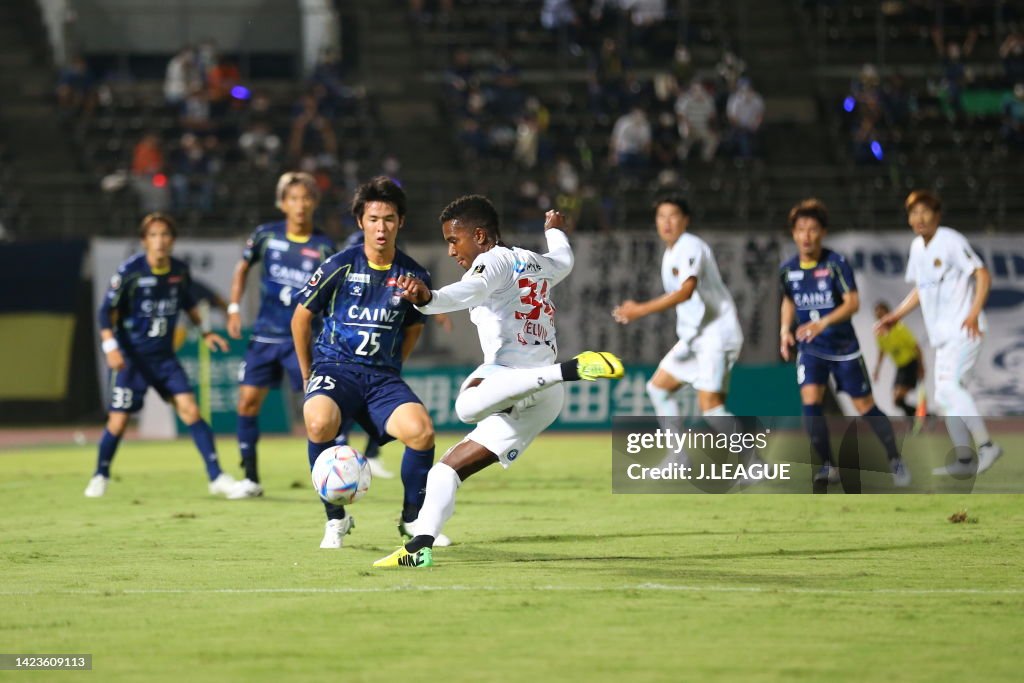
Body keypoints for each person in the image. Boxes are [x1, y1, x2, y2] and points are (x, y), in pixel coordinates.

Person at [372, 197, 624, 568]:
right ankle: (419, 548)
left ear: (480, 235)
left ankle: (569, 369)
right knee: (445, 470)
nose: (451, 250)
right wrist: (553, 230)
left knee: (465, 406)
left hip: (512, 373)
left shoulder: (493, 260)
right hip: (544, 397)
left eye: (454, 240)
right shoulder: (534, 262)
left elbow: (466, 292)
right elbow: (565, 261)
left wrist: (429, 298)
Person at [291, 176, 442, 549]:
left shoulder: (414, 275)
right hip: (335, 370)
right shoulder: (338, 266)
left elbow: (413, 328)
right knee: (318, 421)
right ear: (361, 222)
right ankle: (336, 519)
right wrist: (308, 373)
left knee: (421, 431)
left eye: (389, 219)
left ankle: (412, 519)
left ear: (400, 222)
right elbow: (300, 318)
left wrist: (394, 367)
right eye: (374, 218)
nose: (381, 227)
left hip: (381, 379)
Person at [85, 213, 235, 498]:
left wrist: (205, 332)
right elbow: (106, 311)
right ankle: (100, 474)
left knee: (190, 410)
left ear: (173, 240)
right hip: (131, 360)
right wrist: (110, 347)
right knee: (118, 421)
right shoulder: (131, 271)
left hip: (164, 359)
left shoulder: (179, 271)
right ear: (144, 241)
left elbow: (189, 303)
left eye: (165, 235)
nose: (160, 241)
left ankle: (216, 477)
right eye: (153, 235)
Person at [779, 199, 909, 487]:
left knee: (865, 406)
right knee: (810, 401)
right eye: (801, 229)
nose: (806, 236)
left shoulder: (836, 264)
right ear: (793, 234)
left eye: (812, 229)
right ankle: (828, 465)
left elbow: (853, 303)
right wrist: (785, 330)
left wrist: (823, 322)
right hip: (810, 350)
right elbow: (789, 299)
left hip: (843, 349)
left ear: (822, 232)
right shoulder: (788, 269)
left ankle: (894, 457)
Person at [225, 172, 337, 499]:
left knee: (318, 409)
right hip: (264, 336)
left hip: (303, 339)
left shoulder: (324, 245)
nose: (300, 205)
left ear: (314, 203)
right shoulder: (265, 236)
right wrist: (234, 307)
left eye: (306, 198)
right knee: (247, 403)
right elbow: (243, 267)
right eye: (293, 199)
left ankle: (334, 473)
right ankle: (250, 479)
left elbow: (333, 291)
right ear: (282, 203)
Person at [875, 190, 1001, 475]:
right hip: (943, 337)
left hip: (964, 329)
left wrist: (972, 312)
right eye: (913, 213)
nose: (919, 218)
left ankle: (986, 446)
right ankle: (965, 461)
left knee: (949, 389)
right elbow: (920, 288)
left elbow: (982, 274)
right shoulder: (918, 249)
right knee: (946, 397)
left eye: (925, 211)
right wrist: (894, 315)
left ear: (937, 215)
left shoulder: (950, 240)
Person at [612, 196, 745, 434]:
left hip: (716, 334)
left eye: (673, 216)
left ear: (686, 220)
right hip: (695, 338)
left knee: (712, 408)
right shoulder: (671, 253)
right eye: (661, 216)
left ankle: (755, 465)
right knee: (658, 388)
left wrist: (639, 310)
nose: (667, 222)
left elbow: (686, 291)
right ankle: (678, 458)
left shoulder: (690, 245)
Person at [872, 301, 924, 417]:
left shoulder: (900, 328)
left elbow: (916, 347)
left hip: (911, 363)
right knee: (896, 401)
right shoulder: (879, 334)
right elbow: (882, 351)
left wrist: (921, 367)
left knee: (899, 397)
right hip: (900, 367)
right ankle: (923, 417)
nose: (881, 319)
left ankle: (922, 417)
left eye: (883, 315)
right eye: (878, 316)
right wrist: (877, 370)